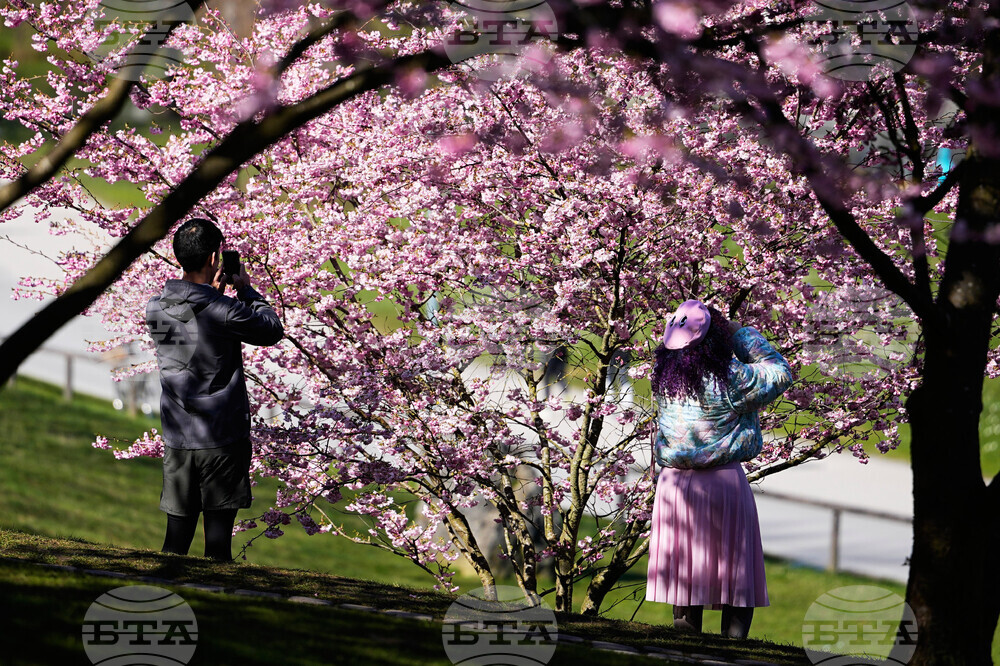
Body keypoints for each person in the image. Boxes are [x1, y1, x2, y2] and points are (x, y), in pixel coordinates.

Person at [646, 299, 792, 638]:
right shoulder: (731, 378)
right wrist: (740, 334)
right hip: (722, 481)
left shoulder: (664, 378)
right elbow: (780, 372)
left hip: (674, 485)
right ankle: (734, 643)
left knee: (685, 566)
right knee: (735, 567)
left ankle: (685, 636)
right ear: (717, 338)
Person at [146, 218, 284, 561]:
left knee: (174, 544)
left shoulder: (156, 307)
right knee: (218, 548)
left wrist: (214, 294)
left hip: (178, 437)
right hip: (221, 437)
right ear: (213, 259)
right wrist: (247, 290)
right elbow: (271, 329)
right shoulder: (223, 311)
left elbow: (191, 339)